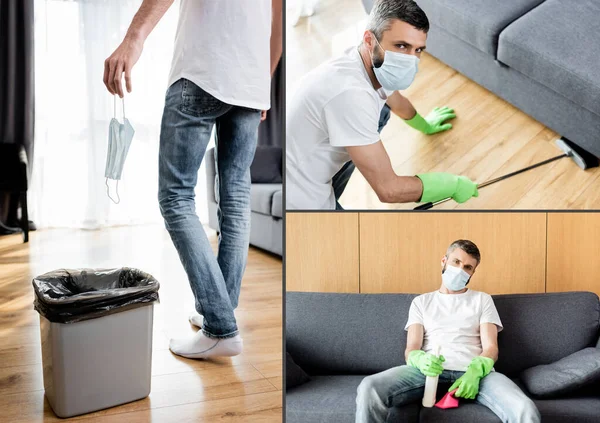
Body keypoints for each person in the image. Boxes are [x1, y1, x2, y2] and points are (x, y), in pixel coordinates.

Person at [103, 0, 283, 359]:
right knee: (235, 197)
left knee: (175, 198)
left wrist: (133, 38)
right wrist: (264, 79)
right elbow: (277, 20)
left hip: (204, 71)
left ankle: (220, 326)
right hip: (251, 81)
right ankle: (217, 312)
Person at [286, 0, 478, 210]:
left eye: (418, 50)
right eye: (401, 46)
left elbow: (395, 101)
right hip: (298, 198)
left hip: (307, 160)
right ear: (369, 39)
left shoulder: (367, 62)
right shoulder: (350, 95)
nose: (410, 60)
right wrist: (452, 185)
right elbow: (389, 190)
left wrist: (425, 125)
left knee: (381, 112)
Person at [355, 240, 541, 423]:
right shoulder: (421, 302)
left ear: (472, 273)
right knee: (369, 387)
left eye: (468, 267)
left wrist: (476, 371)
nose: (461, 270)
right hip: (426, 373)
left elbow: (491, 347)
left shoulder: (482, 300)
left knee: (524, 409)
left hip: (475, 373)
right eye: (456, 262)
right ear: (444, 261)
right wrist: (420, 359)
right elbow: (411, 348)